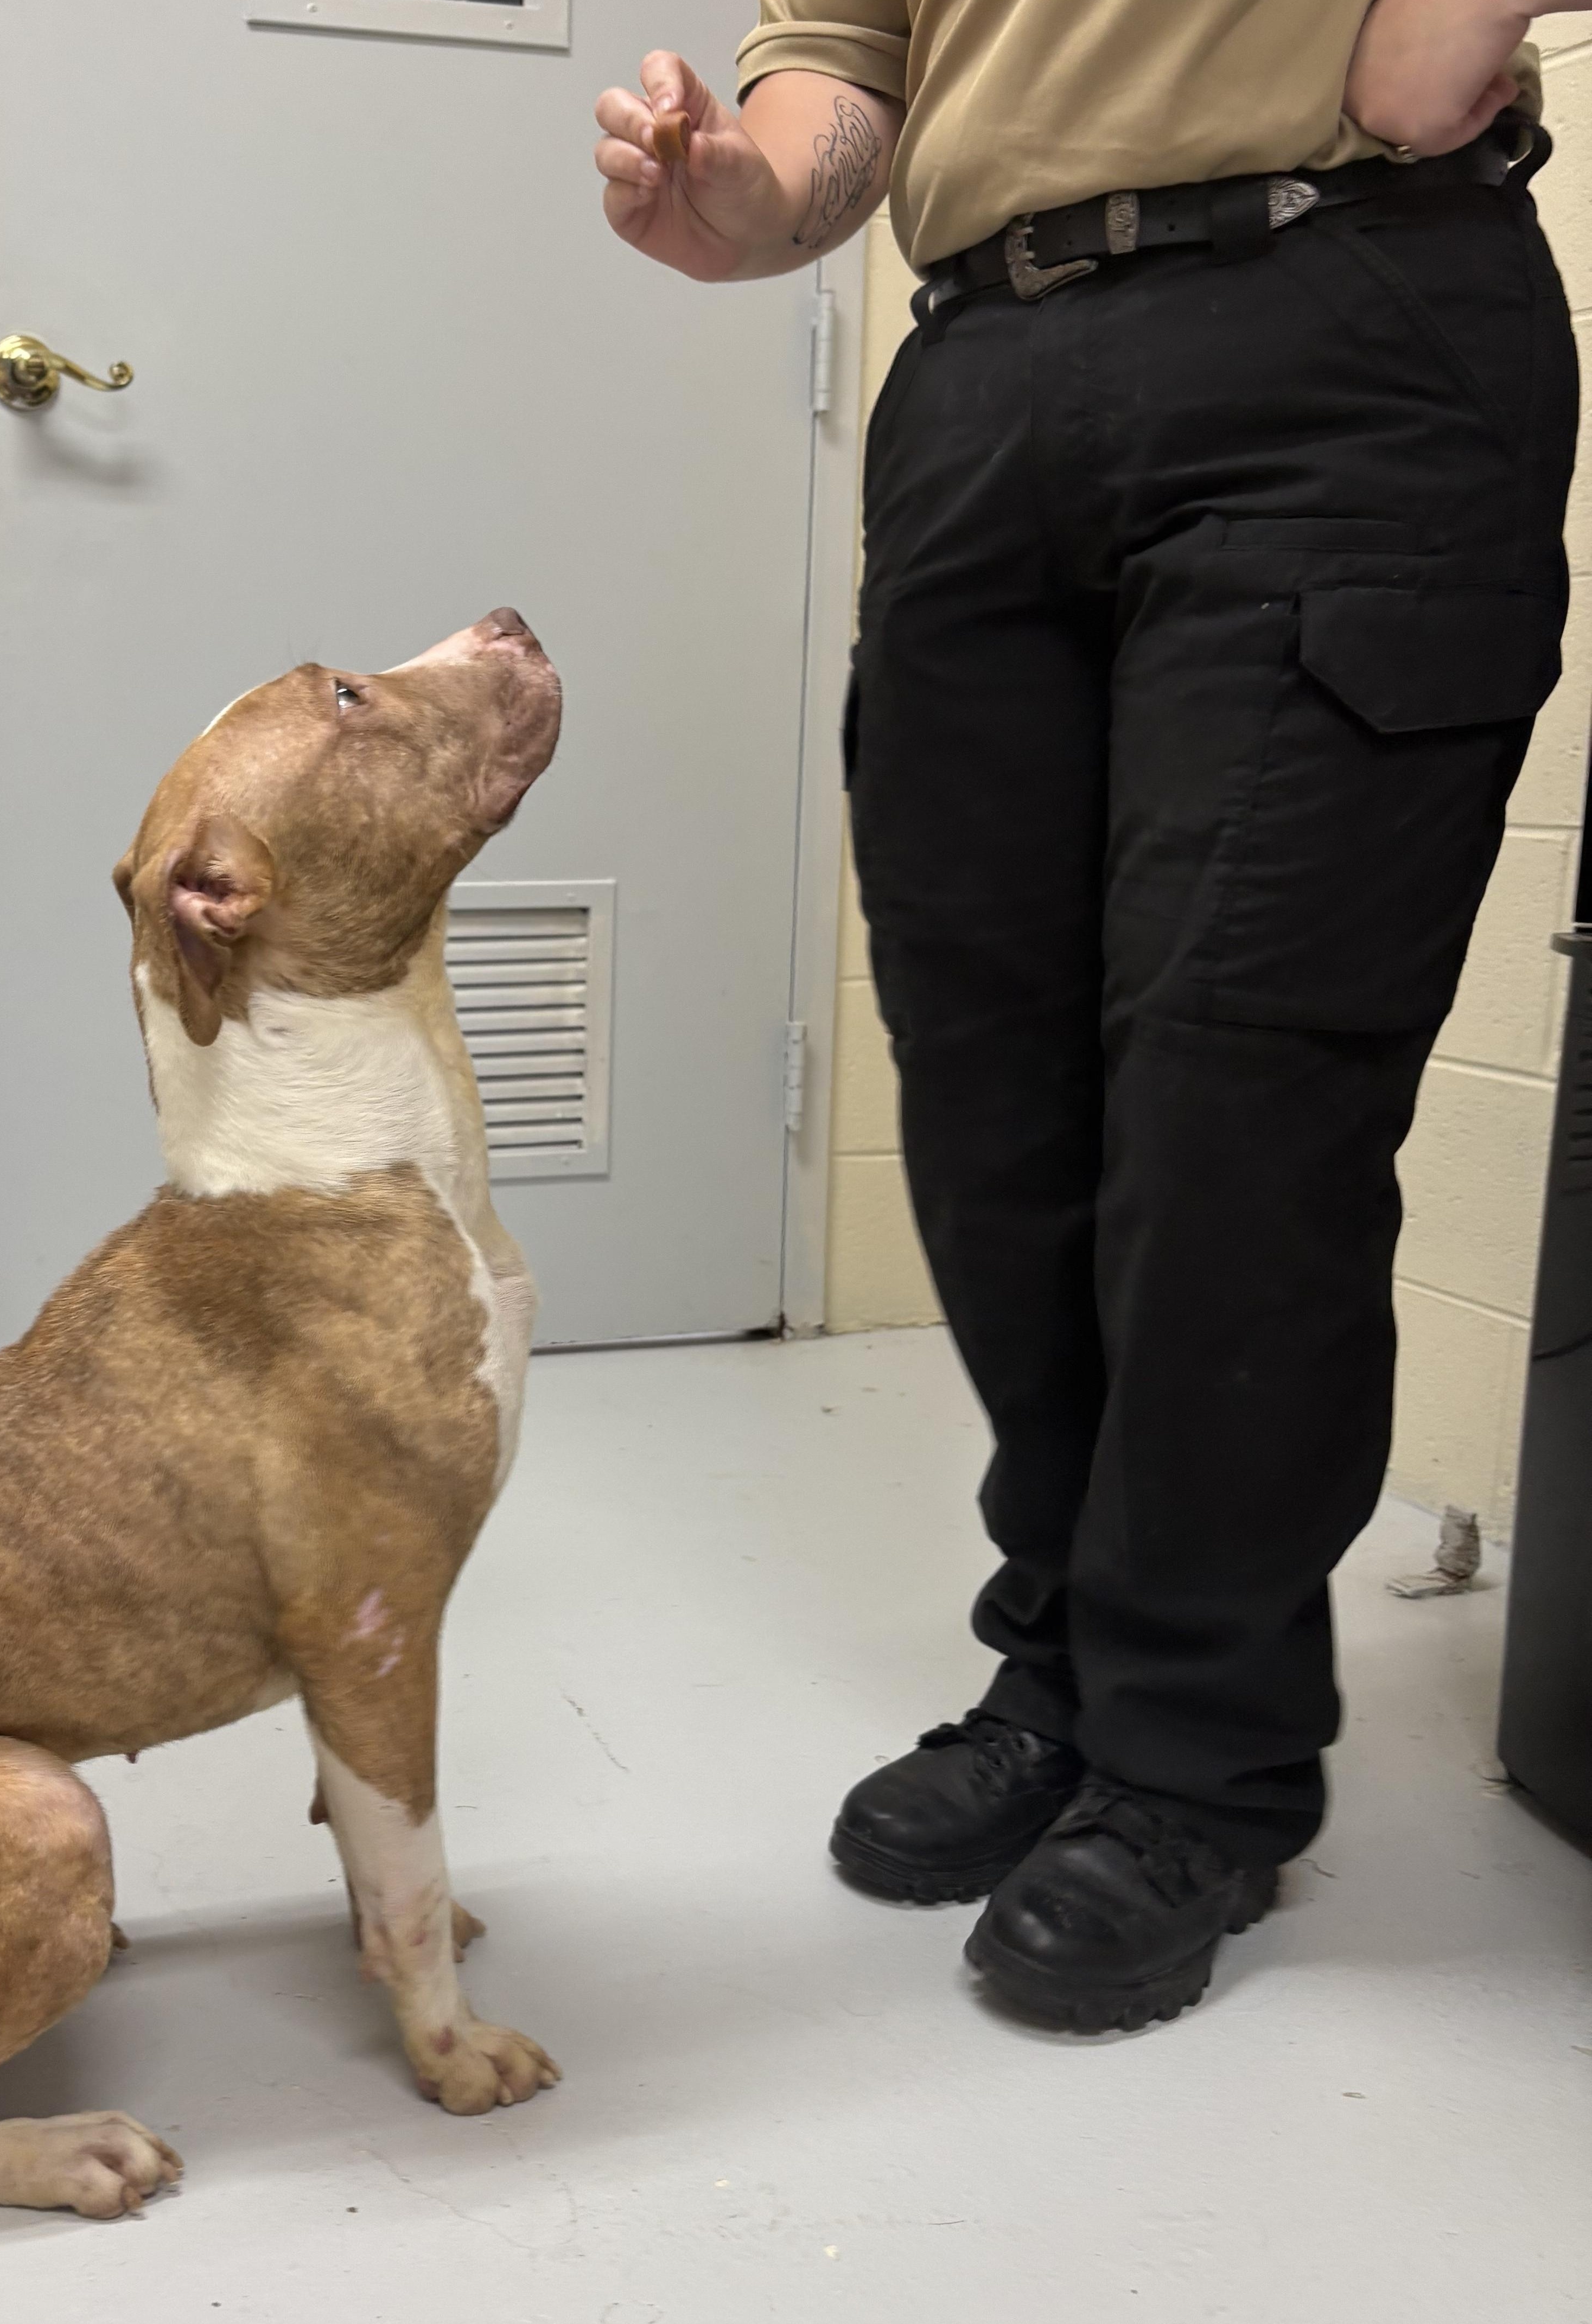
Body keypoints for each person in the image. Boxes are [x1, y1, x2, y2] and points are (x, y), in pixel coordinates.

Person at [595, 0, 1576, 2033]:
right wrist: (746, 191)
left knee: (1237, 1103)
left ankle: (1197, 1760)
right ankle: (1065, 1658)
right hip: (979, 370)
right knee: (991, 1107)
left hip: (1349, 325)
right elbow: (843, 64)